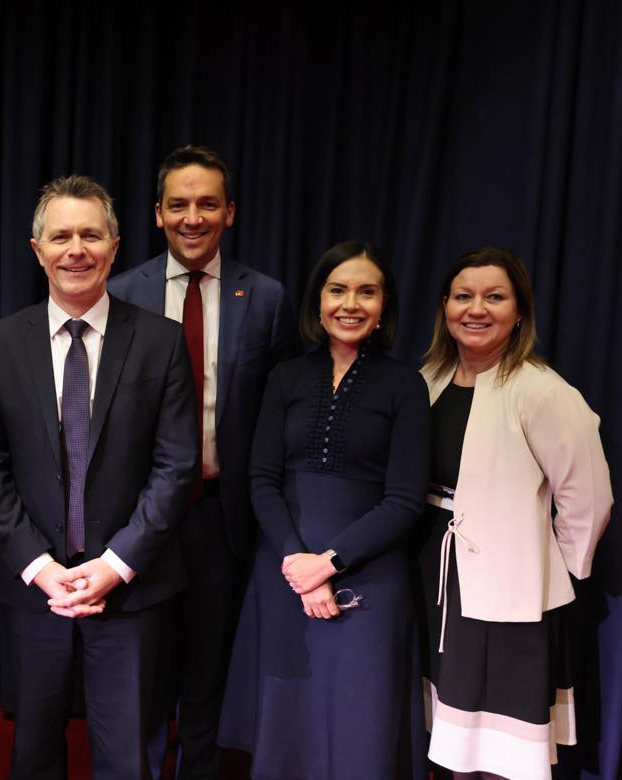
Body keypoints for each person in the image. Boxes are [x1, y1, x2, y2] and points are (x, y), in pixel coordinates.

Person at [0, 175, 197, 778]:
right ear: (36, 249)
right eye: (61, 236)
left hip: (133, 588)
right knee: (34, 754)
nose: (76, 249)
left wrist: (115, 564)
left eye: (90, 234)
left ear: (115, 246)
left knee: (130, 757)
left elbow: (176, 466)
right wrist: (42, 570)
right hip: (33, 590)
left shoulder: (162, 342)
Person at [107, 144, 295, 779]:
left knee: (207, 669)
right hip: (136, 519)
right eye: (179, 204)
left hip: (221, 515)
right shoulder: (119, 291)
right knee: (143, 669)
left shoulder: (265, 298)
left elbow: (277, 415)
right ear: (158, 214)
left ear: (230, 212)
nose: (194, 217)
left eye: (207, 203)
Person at [220, 241, 429, 779]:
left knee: (363, 732)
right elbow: (261, 479)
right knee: (289, 732)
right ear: (318, 302)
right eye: (338, 289)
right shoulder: (286, 377)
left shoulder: (406, 384)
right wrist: (298, 564)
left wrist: (329, 564)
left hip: (370, 581)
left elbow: (405, 500)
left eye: (367, 291)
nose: (351, 303)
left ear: (384, 306)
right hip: (284, 574)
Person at [417, 247, 612, 780]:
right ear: (445, 307)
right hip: (433, 571)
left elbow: (588, 496)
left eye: (494, 297)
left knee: (499, 742)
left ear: (519, 311)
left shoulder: (542, 390)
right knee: (448, 724)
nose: (476, 309)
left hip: (509, 588)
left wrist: (555, 573)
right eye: (463, 296)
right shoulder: (427, 379)